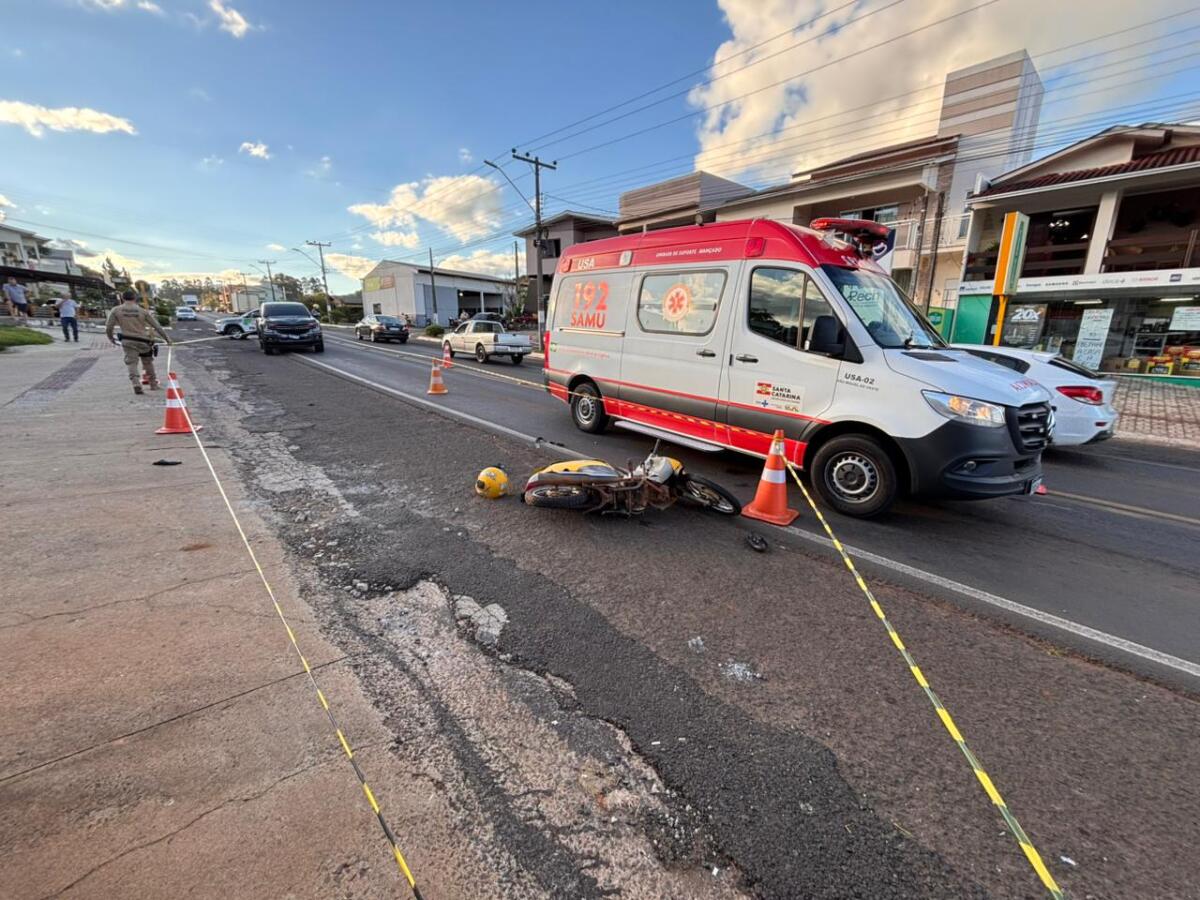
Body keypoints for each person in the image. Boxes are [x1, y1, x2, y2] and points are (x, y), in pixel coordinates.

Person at [105, 290, 171, 394]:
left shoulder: (116, 310)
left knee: (131, 362)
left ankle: (136, 383)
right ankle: (153, 384)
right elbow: (157, 326)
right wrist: (167, 339)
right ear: (135, 298)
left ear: (122, 298)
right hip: (143, 340)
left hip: (128, 340)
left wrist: (111, 338)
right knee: (148, 362)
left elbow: (109, 327)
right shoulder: (142, 311)